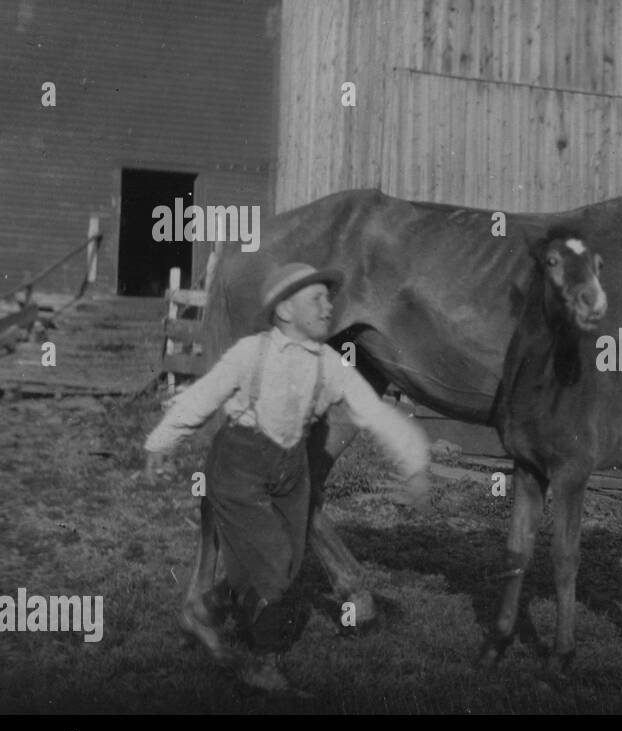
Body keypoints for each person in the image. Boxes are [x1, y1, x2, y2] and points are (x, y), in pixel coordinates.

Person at [144, 262, 432, 692]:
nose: (327, 305)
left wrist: (414, 462)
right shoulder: (251, 353)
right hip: (240, 463)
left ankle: (204, 610)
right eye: (315, 298)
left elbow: (372, 412)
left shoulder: (329, 364)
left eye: (328, 297)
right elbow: (204, 396)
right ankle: (265, 663)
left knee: (290, 563)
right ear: (283, 311)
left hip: (290, 469)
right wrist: (160, 441)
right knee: (274, 566)